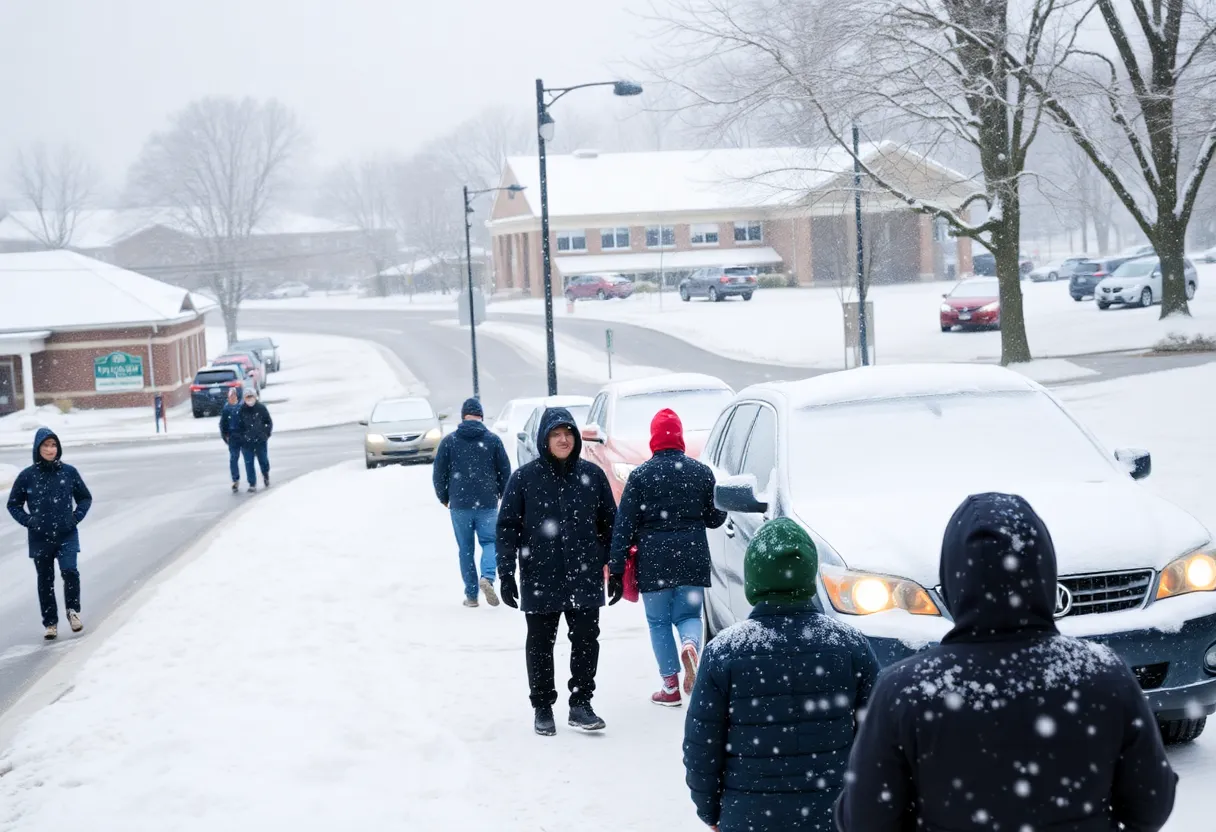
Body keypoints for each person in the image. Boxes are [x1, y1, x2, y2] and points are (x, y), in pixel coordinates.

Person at [835, 492, 1177, 832]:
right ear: (1045, 570)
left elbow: (865, 821)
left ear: (954, 576)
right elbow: (1151, 805)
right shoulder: (1104, 676)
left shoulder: (905, 690)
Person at [683, 517, 878, 832]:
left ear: (753, 579)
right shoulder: (850, 647)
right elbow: (876, 741)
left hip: (749, 818)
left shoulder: (724, 652)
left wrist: (710, 811)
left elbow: (702, 746)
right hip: (833, 816)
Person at [496, 406, 617, 736]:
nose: (563, 440)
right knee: (539, 643)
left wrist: (613, 565)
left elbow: (611, 525)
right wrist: (506, 573)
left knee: (586, 641)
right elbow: (507, 527)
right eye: (556, 434)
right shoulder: (523, 479)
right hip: (540, 575)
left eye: (568, 434)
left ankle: (580, 704)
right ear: (544, 439)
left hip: (584, 575)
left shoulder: (593, 476)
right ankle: (543, 707)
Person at [608, 408, 726, 706]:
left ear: (654, 440)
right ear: (680, 438)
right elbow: (715, 519)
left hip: (654, 562)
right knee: (688, 615)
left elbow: (623, 525)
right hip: (692, 558)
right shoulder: (700, 472)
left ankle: (670, 687)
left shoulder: (640, 476)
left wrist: (616, 566)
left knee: (658, 622)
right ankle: (690, 645)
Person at [6, 428, 94, 640]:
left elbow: (85, 498)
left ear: (58, 448)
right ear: (38, 448)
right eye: (45, 445)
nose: (50, 449)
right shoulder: (27, 476)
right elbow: (13, 504)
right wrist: (29, 521)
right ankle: (50, 623)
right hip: (40, 537)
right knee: (45, 580)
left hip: (66, 533)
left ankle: (73, 612)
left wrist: (74, 518)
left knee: (70, 571)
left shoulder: (69, 472)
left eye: (53, 445)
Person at [432, 396, 512, 608]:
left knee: (465, 549)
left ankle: (472, 596)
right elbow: (505, 470)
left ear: (463, 417)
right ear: (481, 417)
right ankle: (487, 577)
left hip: (459, 504)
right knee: (489, 542)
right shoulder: (493, 440)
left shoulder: (449, 442)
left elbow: (438, 472)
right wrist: (502, 492)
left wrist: (444, 497)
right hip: (487, 502)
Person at [237, 388, 272, 492]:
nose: (249, 399)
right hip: (247, 443)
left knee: (263, 460)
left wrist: (265, 434)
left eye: (251, 397)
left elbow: (268, 422)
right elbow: (238, 427)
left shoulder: (261, 408)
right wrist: (242, 438)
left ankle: (265, 474)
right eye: (247, 397)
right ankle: (252, 483)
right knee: (249, 463)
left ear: (255, 397)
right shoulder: (241, 410)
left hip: (260, 441)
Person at [219, 387, 245, 493]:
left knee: (249, 458)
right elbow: (222, 425)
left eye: (234, 396)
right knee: (233, 458)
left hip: (243, 437)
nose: (232, 398)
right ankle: (235, 480)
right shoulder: (226, 410)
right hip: (233, 438)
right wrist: (226, 437)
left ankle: (252, 480)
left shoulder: (242, 408)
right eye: (230, 396)